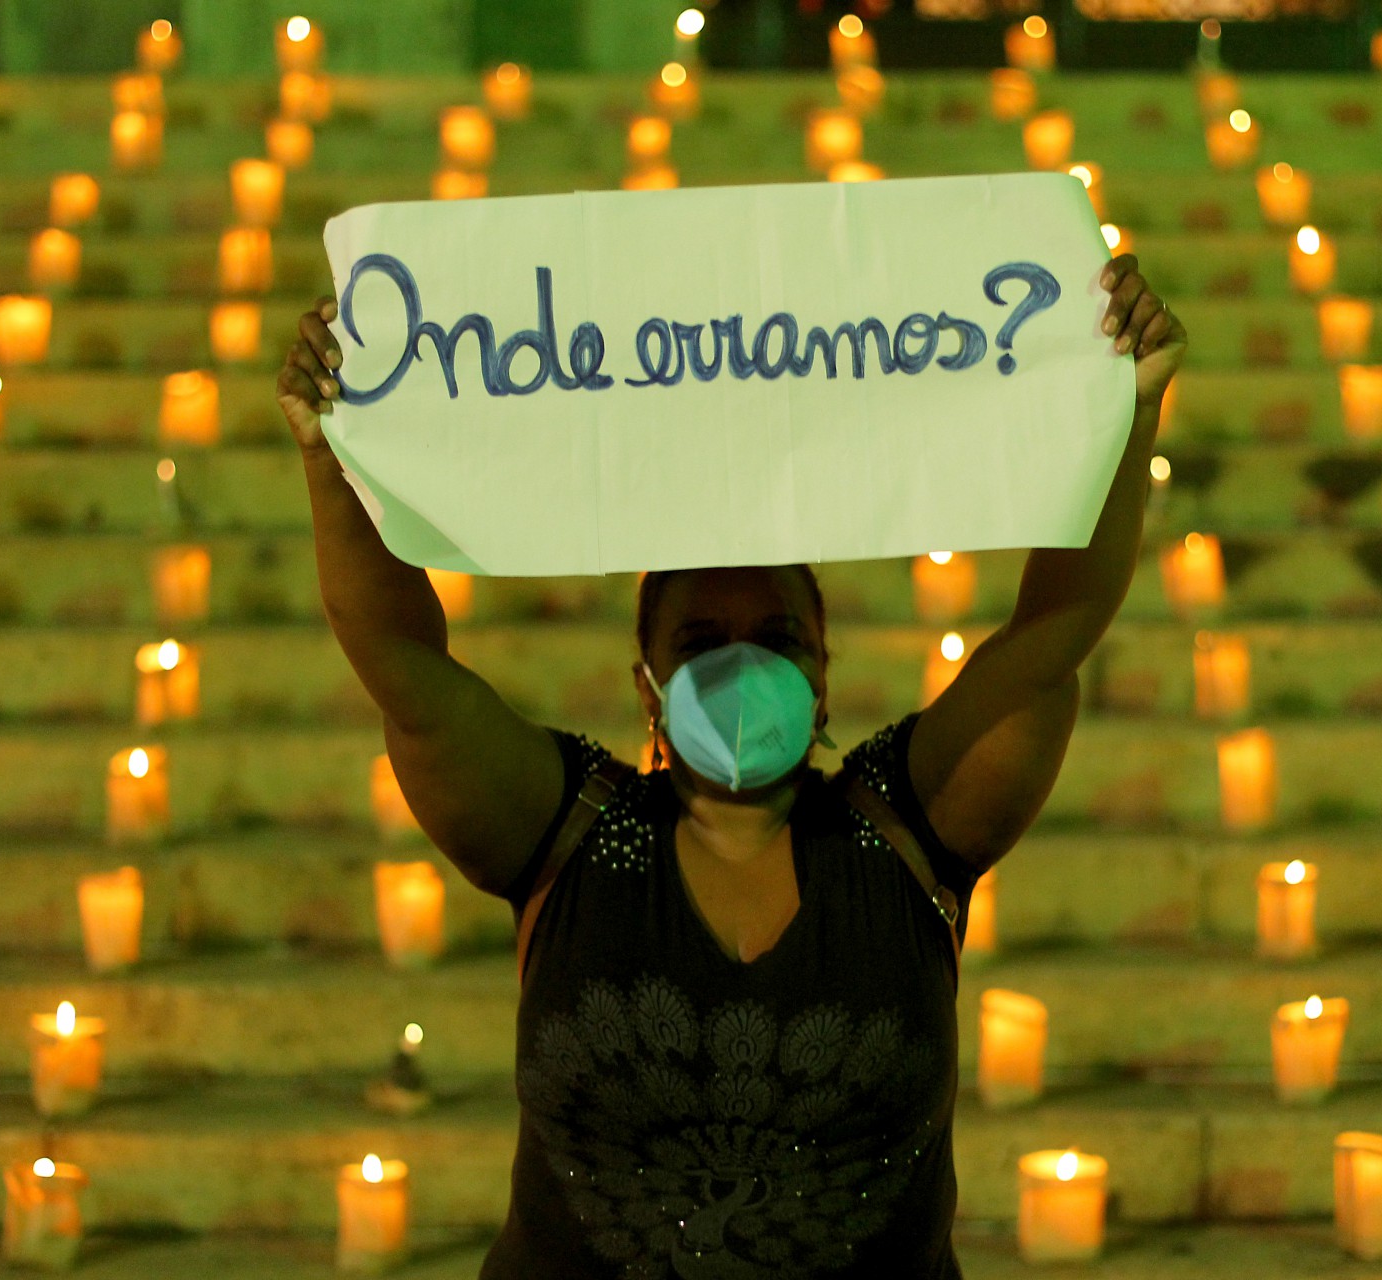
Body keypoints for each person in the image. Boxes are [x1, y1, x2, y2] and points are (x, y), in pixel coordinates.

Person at [277, 253, 1186, 1279]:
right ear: (648, 680)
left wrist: (1130, 411)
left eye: (777, 633)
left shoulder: (906, 830)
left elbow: (1052, 633)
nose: (741, 660)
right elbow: (403, 665)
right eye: (701, 636)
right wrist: (326, 460)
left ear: (825, 673)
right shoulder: (566, 832)